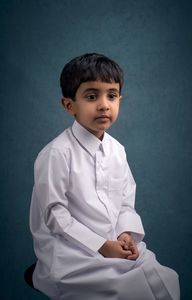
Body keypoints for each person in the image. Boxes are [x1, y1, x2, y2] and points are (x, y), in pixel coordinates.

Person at [30, 53, 180, 300]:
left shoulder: (117, 150)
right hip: (71, 251)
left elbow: (124, 202)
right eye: (91, 96)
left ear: (119, 99)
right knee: (124, 288)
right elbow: (55, 216)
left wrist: (125, 235)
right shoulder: (56, 153)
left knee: (164, 278)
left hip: (113, 243)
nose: (103, 104)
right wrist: (101, 246)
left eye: (111, 95)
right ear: (70, 105)